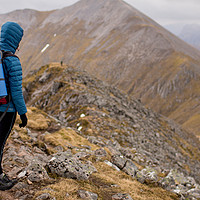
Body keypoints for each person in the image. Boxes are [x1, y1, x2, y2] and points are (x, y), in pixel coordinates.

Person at [0, 22, 28, 190]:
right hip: (7, 110)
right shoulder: (12, 60)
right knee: (0, 143)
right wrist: (23, 114)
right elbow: (17, 93)